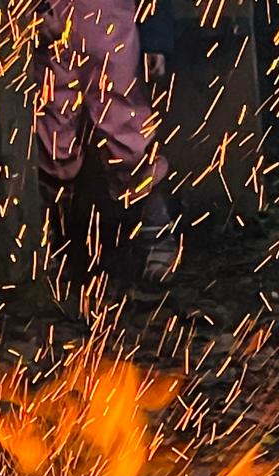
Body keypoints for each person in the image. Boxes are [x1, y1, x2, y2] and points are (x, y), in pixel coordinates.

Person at [34, 0, 180, 283]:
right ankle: (47, 244)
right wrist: (35, 10)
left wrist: (155, 38)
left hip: (113, 26)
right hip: (53, 30)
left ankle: (155, 232)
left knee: (127, 130)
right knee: (51, 138)